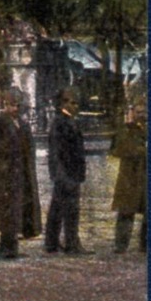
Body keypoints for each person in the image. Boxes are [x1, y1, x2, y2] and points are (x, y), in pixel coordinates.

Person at [0, 87, 41, 259]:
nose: (15, 109)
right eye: (12, 105)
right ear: (5, 105)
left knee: (18, 211)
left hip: (22, 175)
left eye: (18, 105)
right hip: (5, 178)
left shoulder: (23, 125)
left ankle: (12, 246)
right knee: (6, 213)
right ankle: (5, 247)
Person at [44, 88, 90, 254]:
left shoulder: (68, 121)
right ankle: (71, 244)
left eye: (76, 102)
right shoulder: (61, 122)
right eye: (71, 102)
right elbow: (56, 152)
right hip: (66, 173)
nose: (75, 106)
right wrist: (62, 175)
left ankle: (51, 243)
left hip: (69, 172)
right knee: (71, 210)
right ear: (62, 103)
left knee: (57, 208)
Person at [111, 103, 147, 254]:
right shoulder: (125, 129)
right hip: (129, 177)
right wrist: (141, 150)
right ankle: (121, 244)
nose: (142, 115)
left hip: (144, 176)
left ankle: (145, 244)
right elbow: (117, 150)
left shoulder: (146, 129)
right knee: (126, 211)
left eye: (144, 112)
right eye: (138, 112)